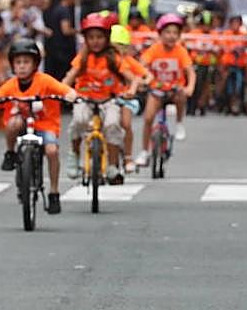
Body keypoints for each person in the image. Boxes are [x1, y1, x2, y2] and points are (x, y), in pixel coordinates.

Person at [0, 39, 78, 214]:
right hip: (23, 124)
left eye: (26, 62)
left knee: (52, 151)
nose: (22, 66)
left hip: (45, 125)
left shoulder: (44, 80)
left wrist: (71, 94)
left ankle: (54, 192)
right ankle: (10, 153)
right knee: (13, 123)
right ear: (12, 65)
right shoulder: (12, 83)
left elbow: (64, 89)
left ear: (35, 64)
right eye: (18, 62)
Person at [61, 13, 137, 184]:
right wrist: (63, 90)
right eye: (91, 37)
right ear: (86, 39)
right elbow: (70, 76)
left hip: (108, 100)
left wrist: (131, 90)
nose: (95, 41)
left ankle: (112, 165)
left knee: (112, 124)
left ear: (107, 38)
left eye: (99, 37)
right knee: (78, 120)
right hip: (85, 99)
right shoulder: (83, 58)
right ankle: (74, 155)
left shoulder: (113, 58)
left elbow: (133, 79)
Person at [135, 13, 196, 168]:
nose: (171, 36)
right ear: (160, 34)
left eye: (175, 33)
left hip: (174, 90)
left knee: (181, 94)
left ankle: (179, 123)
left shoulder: (180, 51)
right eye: (167, 32)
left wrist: (189, 87)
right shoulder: (154, 50)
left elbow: (190, 72)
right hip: (156, 90)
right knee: (148, 118)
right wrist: (141, 80)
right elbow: (141, 65)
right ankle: (144, 151)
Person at [109, 24, 149, 174]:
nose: (118, 50)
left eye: (121, 46)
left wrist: (142, 83)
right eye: (114, 46)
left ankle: (128, 157)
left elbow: (145, 75)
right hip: (107, 98)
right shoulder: (106, 61)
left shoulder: (129, 61)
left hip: (126, 98)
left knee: (126, 124)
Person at [43, 0, 78, 80]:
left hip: (55, 48)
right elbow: (65, 30)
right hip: (63, 51)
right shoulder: (65, 11)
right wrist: (77, 31)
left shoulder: (57, 9)